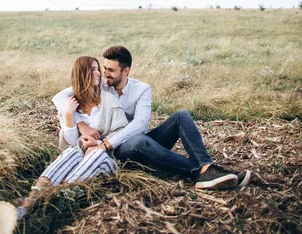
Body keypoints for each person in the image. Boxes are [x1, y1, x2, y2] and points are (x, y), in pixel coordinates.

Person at [53, 46, 251, 190]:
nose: (106, 75)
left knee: (181, 115)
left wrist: (106, 144)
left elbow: (140, 125)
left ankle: (205, 167)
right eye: (104, 69)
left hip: (132, 141)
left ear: (126, 71)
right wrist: (80, 124)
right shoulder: (103, 84)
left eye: (111, 71)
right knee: (139, 141)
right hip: (123, 151)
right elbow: (60, 97)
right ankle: (200, 172)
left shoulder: (141, 89)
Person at [16, 55, 128, 220]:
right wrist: (69, 115)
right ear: (81, 74)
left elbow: (123, 133)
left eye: (98, 69)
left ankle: (55, 201)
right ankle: (28, 204)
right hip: (77, 159)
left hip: (105, 158)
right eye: (92, 70)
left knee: (95, 154)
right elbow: (67, 145)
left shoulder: (110, 101)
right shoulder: (71, 104)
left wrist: (98, 143)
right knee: (71, 153)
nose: (98, 73)